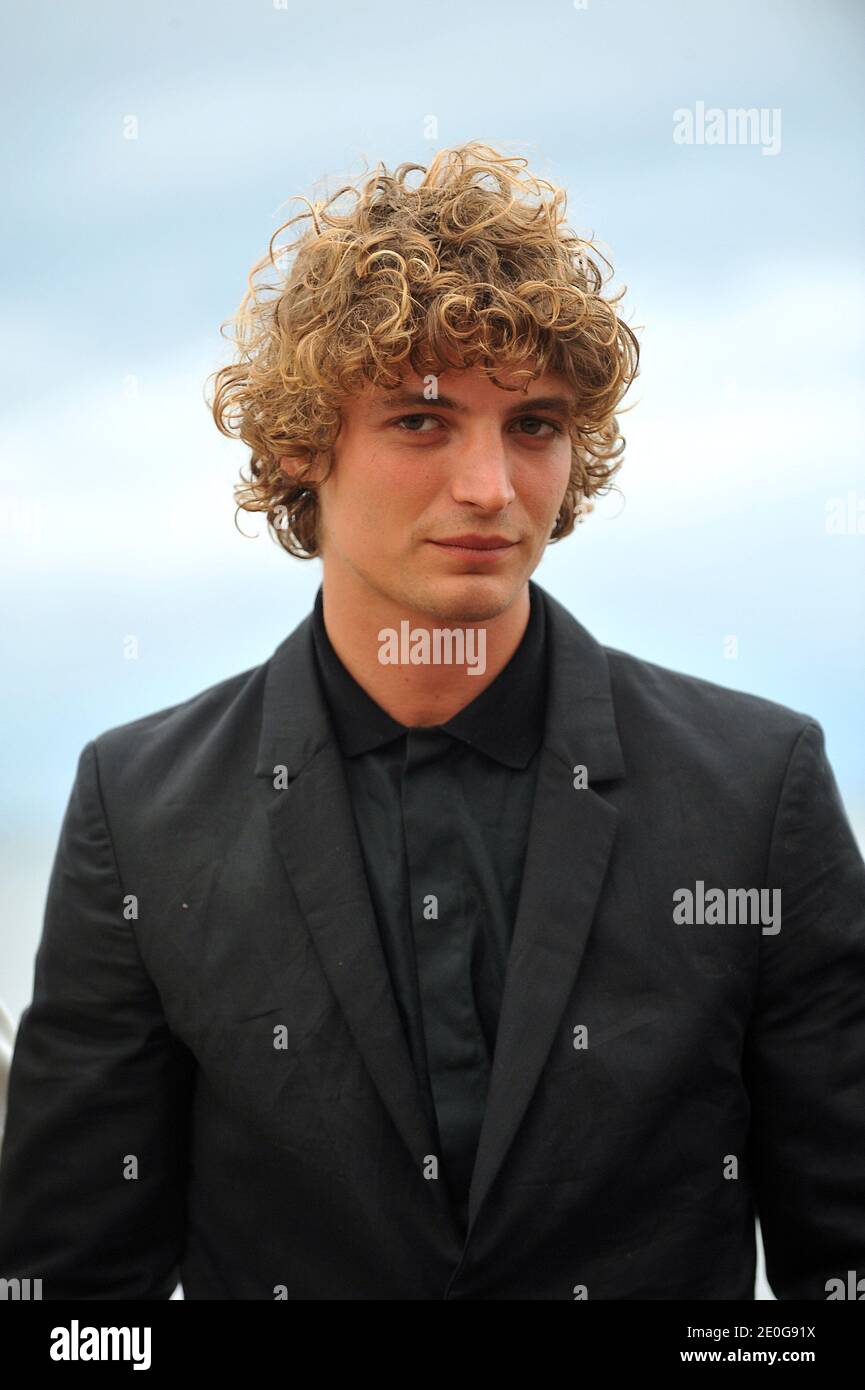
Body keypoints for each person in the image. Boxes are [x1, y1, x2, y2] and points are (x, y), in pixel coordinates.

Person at [0, 142, 863, 1300]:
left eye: (535, 425)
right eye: (422, 421)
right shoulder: (142, 810)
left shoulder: (758, 788)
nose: (490, 487)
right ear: (305, 444)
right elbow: (69, 1302)